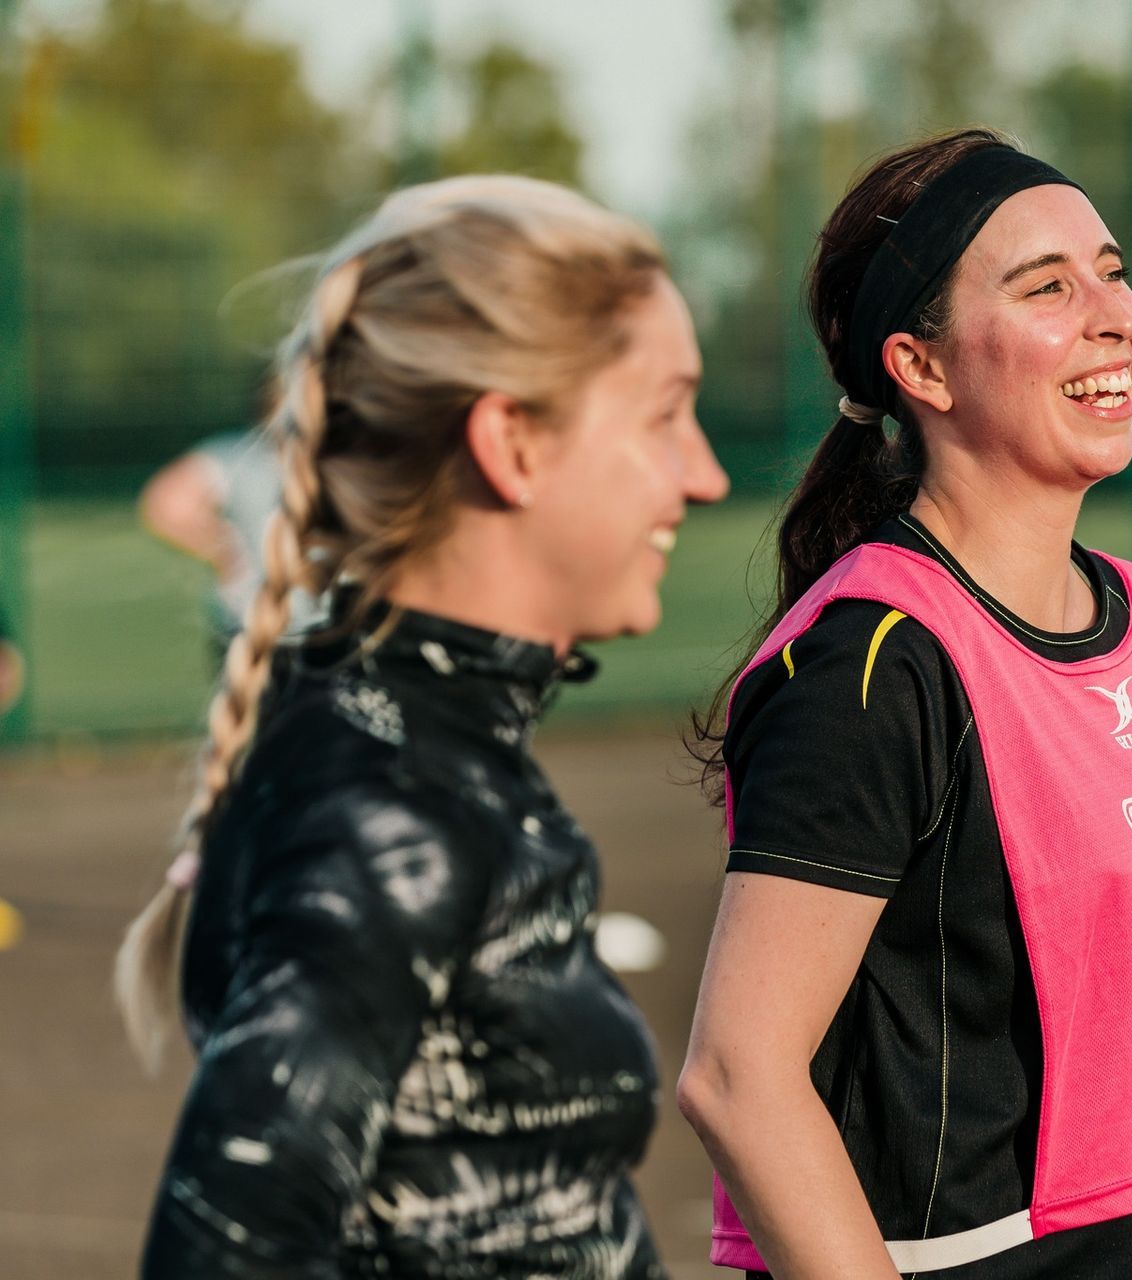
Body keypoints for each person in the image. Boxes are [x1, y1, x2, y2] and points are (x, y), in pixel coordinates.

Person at [678, 129, 1132, 1280]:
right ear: (923, 367)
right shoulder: (875, 663)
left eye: (1111, 269)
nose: (1112, 313)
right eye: (1047, 286)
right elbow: (738, 1074)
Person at [115, 174, 729, 1278]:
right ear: (515, 443)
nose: (707, 474)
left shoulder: (426, 758)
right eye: (665, 413)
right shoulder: (389, 814)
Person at [140, 412, 326, 655]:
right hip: (320, 624)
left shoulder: (239, 454)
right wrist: (225, 552)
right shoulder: (363, 456)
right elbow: (167, 506)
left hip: (252, 624)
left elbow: (167, 508)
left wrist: (224, 553)